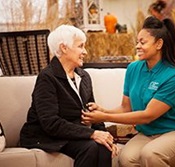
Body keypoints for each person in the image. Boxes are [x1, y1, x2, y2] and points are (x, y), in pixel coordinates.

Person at [82, 16, 175, 167]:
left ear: (159, 44)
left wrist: (102, 117)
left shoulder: (174, 77)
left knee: (151, 155)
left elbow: (148, 115)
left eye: (142, 42)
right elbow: (126, 107)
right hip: (148, 134)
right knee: (125, 158)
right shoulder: (133, 68)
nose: (137, 46)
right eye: (137, 42)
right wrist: (103, 110)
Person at [20, 25, 118, 167]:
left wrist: (105, 137)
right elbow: (50, 123)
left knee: (103, 147)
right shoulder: (47, 77)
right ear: (64, 48)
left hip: (74, 134)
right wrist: (91, 134)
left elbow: (94, 114)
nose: (85, 52)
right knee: (90, 147)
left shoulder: (84, 76)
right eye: (80, 46)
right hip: (46, 136)